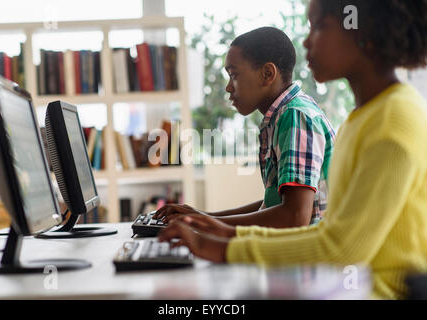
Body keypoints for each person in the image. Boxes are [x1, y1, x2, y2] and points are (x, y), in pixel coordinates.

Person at [158, 0, 427, 299]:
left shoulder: (392, 122)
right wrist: (224, 232)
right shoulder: (360, 119)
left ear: (363, 32)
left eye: (320, 27)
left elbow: (339, 248)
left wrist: (221, 245)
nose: (306, 40)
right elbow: (328, 233)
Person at [155, 26, 336, 229]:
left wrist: (204, 223)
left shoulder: (295, 116)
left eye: (234, 75)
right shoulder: (282, 116)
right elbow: (274, 205)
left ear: (267, 74)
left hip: (307, 256)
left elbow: (294, 217)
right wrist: (203, 216)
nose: (228, 87)